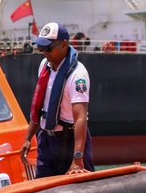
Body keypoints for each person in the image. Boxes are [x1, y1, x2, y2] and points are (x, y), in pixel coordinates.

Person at [19, 22, 94, 177]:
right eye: (41, 48)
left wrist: (78, 158)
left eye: (48, 48)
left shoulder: (77, 75)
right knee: (41, 188)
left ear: (64, 44)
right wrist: (28, 138)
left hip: (69, 141)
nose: (44, 52)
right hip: (46, 139)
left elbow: (80, 117)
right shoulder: (44, 66)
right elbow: (41, 105)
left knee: (81, 189)